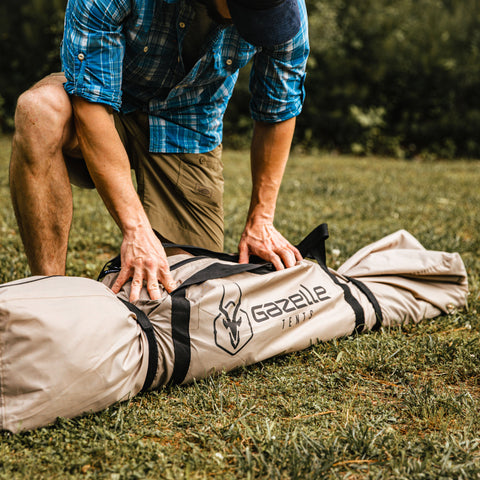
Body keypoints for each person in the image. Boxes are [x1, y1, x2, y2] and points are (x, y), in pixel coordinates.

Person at [9, 0, 309, 302]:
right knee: (39, 112)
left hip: (187, 127)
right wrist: (136, 229)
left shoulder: (285, 12)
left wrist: (262, 220)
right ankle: (48, 295)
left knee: (189, 290)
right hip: (107, 105)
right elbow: (92, 105)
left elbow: (278, 107)